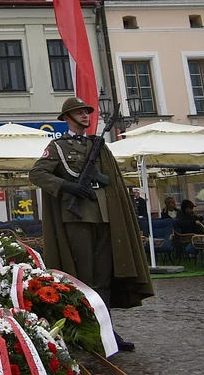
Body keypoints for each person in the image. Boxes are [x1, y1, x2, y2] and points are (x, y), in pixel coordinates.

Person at [30, 96, 153, 353]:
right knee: (83, 277)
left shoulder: (99, 146)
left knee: (104, 277)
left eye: (87, 112)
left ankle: (105, 329)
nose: (85, 116)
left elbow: (112, 180)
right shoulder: (58, 147)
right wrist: (67, 186)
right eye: (79, 112)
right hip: (77, 219)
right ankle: (83, 330)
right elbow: (37, 173)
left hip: (105, 216)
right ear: (67, 118)